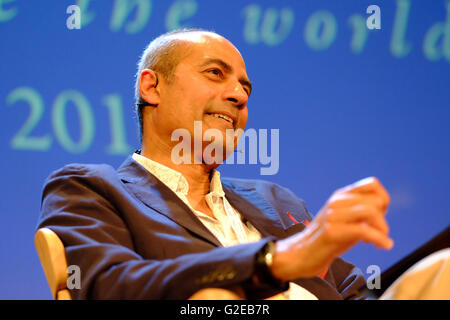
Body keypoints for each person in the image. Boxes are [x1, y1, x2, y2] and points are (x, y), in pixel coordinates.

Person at [37, 29, 394, 300]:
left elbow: (356, 292)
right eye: (214, 73)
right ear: (152, 87)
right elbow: (109, 286)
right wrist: (271, 262)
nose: (238, 95)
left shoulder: (276, 199)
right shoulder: (91, 189)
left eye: (245, 88)